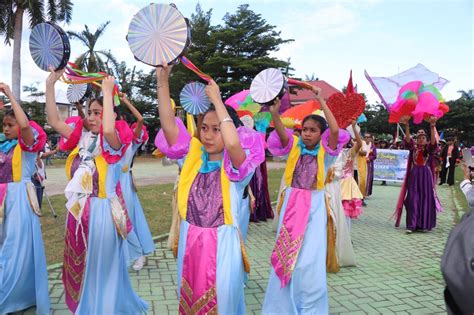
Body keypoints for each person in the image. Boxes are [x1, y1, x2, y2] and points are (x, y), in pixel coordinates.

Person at [154, 64, 264, 314]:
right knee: (189, 299)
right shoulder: (192, 156)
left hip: (222, 244)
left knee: (221, 301)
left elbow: (233, 143)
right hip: (190, 239)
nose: (209, 135)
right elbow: (170, 127)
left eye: (217, 130)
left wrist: (216, 99)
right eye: (205, 128)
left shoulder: (237, 168)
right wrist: (162, 81)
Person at [45, 70, 148, 314]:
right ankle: (88, 306)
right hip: (79, 211)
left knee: (104, 266)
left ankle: (106, 307)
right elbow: (54, 121)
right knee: (85, 265)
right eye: (89, 112)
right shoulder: (81, 135)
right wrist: (50, 84)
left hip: (103, 212)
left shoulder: (116, 140)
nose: (91, 117)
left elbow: (109, 130)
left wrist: (108, 92)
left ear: (110, 113)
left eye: (97, 113)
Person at [262, 87, 349, 314]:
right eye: (304, 130)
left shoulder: (327, 153)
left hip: (314, 207)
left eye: (313, 130)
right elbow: (281, 133)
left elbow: (335, 129)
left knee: (308, 260)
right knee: (285, 254)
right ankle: (281, 305)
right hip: (292, 206)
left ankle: (308, 305)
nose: (307, 134)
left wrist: (321, 100)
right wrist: (274, 113)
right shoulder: (294, 149)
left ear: (321, 135)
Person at [0, 83, 50, 314]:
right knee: (5, 247)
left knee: (14, 248)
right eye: (4, 125)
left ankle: (10, 297)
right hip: (3, 201)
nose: (6, 128)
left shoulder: (28, 146)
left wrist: (10, 94)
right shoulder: (3, 146)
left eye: (10, 125)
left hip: (20, 200)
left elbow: (24, 125)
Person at [117, 93, 154, 271]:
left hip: (124, 185)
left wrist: (125, 101)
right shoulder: (109, 141)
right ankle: (123, 255)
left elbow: (140, 120)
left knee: (128, 219)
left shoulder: (132, 141)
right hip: (110, 185)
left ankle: (138, 253)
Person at [325, 120, 362, 268]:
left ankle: (345, 238)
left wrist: (354, 129)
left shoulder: (347, 153)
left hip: (345, 185)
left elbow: (359, 146)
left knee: (345, 215)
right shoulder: (327, 153)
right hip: (331, 187)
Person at [394, 117, 439, 233]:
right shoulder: (412, 149)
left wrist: (432, 126)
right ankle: (411, 225)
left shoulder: (429, 149)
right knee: (412, 199)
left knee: (425, 198)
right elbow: (407, 140)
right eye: (419, 138)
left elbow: (434, 143)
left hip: (425, 176)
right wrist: (407, 126)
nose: (421, 139)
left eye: (423, 137)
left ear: (426, 139)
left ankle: (423, 224)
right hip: (414, 176)